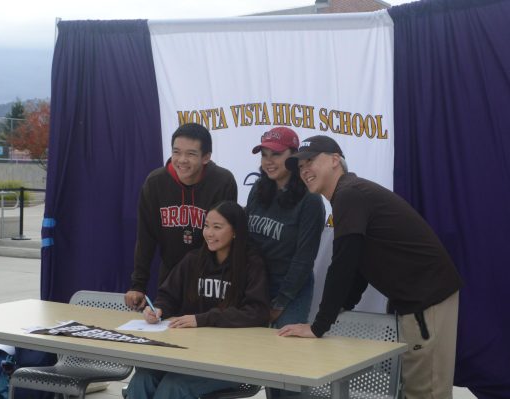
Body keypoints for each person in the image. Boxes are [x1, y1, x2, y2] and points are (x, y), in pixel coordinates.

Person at [278, 135, 462, 399]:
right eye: (300, 165)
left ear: (335, 160)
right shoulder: (349, 193)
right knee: (414, 386)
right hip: (419, 299)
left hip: (427, 298)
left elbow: (343, 263)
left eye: (311, 161)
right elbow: (358, 263)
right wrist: (344, 305)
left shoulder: (349, 194)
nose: (304, 169)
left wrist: (319, 326)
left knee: (425, 391)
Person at [126, 200, 270, 399]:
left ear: (235, 231)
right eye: (206, 226)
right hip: (186, 355)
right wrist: (158, 309)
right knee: (143, 378)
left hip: (230, 361)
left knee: (174, 387)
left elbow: (257, 312)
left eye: (217, 227)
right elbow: (168, 296)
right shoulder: (193, 260)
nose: (209, 233)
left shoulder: (251, 264)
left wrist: (201, 319)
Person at [246, 126, 325, 397]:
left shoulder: (310, 200)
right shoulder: (258, 188)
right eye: (264, 154)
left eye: (276, 154)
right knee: (269, 364)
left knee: (288, 368)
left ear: (294, 157)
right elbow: (246, 241)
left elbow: (304, 259)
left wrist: (280, 303)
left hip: (292, 287)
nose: (268, 161)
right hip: (258, 283)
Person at [125, 123, 237, 310]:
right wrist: (138, 285)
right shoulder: (155, 183)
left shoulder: (223, 182)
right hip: (170, 278)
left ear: (206, 157)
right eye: (176, 152)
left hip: (211, 279)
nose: (181, 160)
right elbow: (146, 238)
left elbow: (227, 237)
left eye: (191, 154)